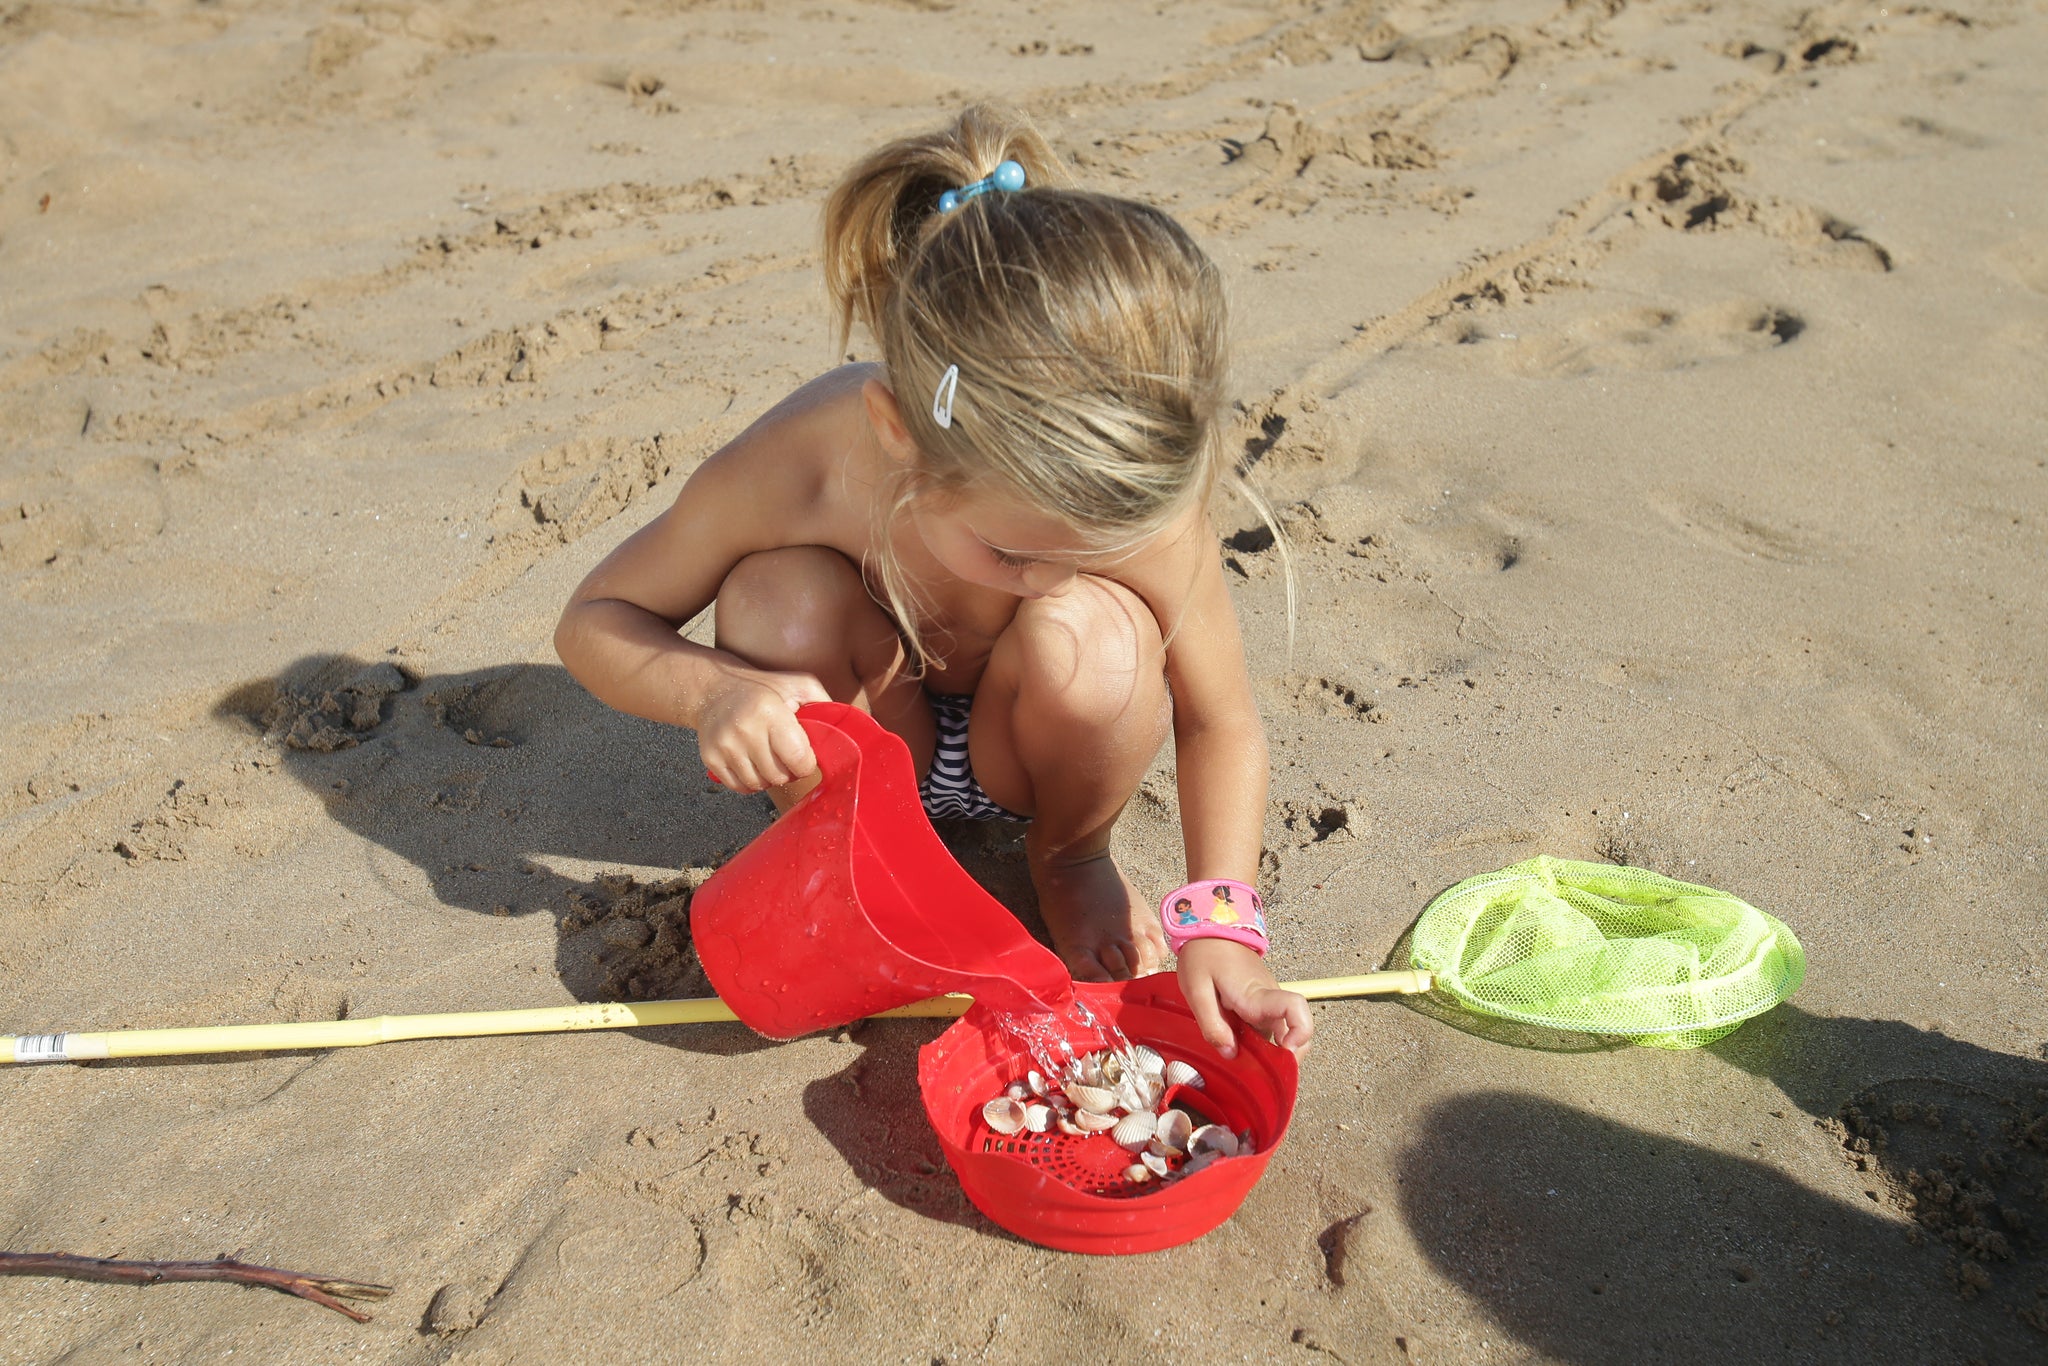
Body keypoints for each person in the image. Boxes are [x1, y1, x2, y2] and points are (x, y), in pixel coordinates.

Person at [554, 106, 1311, 1059]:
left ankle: (1070, 858)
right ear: (896, 433)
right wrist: (716, 693)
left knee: (1099, 639)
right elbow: (594, 619)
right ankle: (855, 858)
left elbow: (1220, 718)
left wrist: (1223, 929)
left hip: (1029, 756)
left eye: (1091, 549)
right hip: (864, 732)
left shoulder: (1132, 493)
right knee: (776, 598)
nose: (1052, 578)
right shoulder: (804, 466)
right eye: (1016, 553)